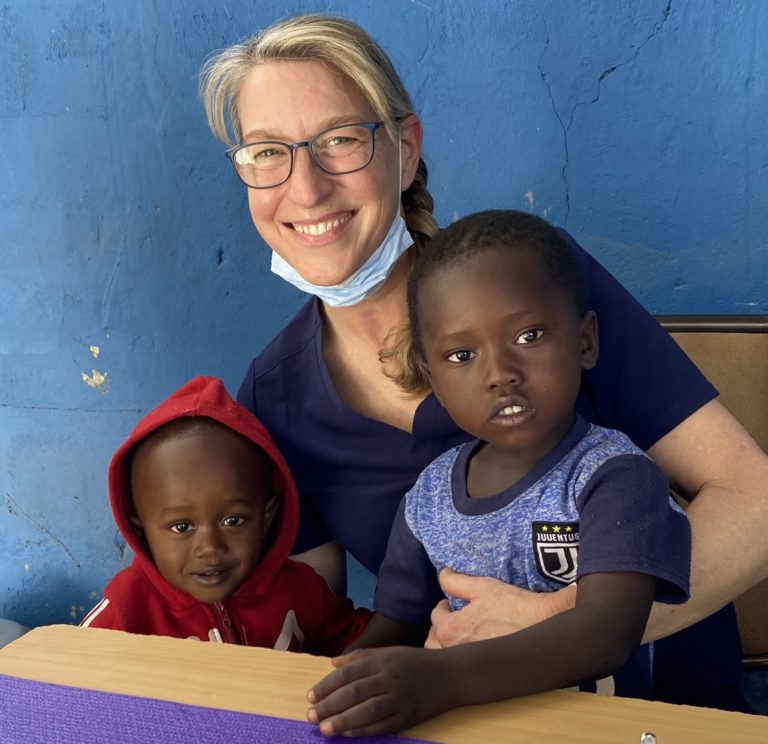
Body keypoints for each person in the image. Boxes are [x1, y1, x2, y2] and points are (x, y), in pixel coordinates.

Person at [198, 14, 767, 707]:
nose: (307, 187)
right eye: (266, 152)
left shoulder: (534, 285)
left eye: (341, 140)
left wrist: (557, 627)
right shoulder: (275, 393)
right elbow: (314, 616)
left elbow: (756, 501)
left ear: (406, 151)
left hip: (663, 708)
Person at [306, 209, 692, 736]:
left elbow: (608, 630)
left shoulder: (615, 477)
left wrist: (443, 680)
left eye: (529, 335)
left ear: (585, 342)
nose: (500, 373)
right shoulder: (429, 501)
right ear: (434, 379)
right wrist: (336, 689)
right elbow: (398, 625)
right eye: (461, 354)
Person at [80, 375, 370, 654]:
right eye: (182, 527)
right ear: (141, 529)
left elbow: (361, 647)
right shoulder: (127, 609)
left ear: (266, 519)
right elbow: (66, 676)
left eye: (233, 520)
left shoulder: (304, 591)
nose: (210, 548)